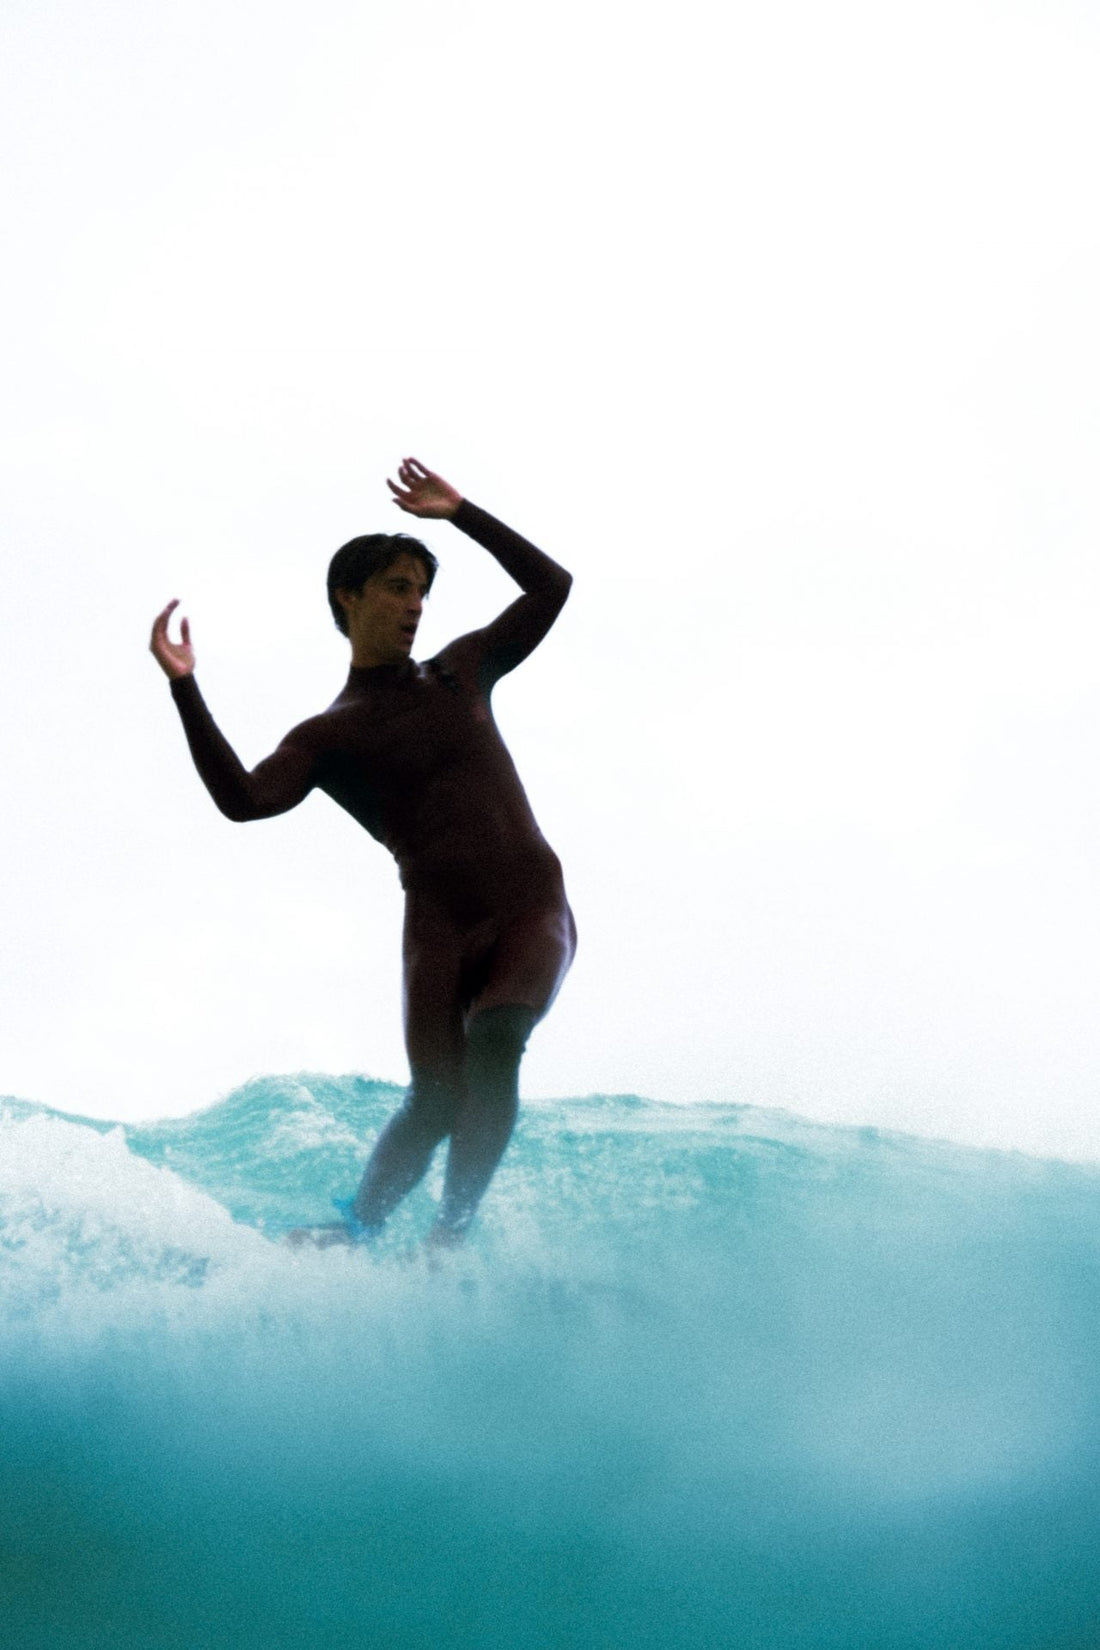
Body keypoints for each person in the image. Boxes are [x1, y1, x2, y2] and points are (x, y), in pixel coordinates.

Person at [150, 458, 576, 1248]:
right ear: (349, 597)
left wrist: (462, 513)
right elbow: (244, 800)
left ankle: (452, 1232)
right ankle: (359, 1229)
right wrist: (185, 687)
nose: (415, 606)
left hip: (528, 904)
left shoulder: (459, 672)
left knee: (498, 1036)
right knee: (436, 1098)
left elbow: (552, 587)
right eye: (397, 587)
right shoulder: (329, 736)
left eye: (422, 591)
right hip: (439, 927)